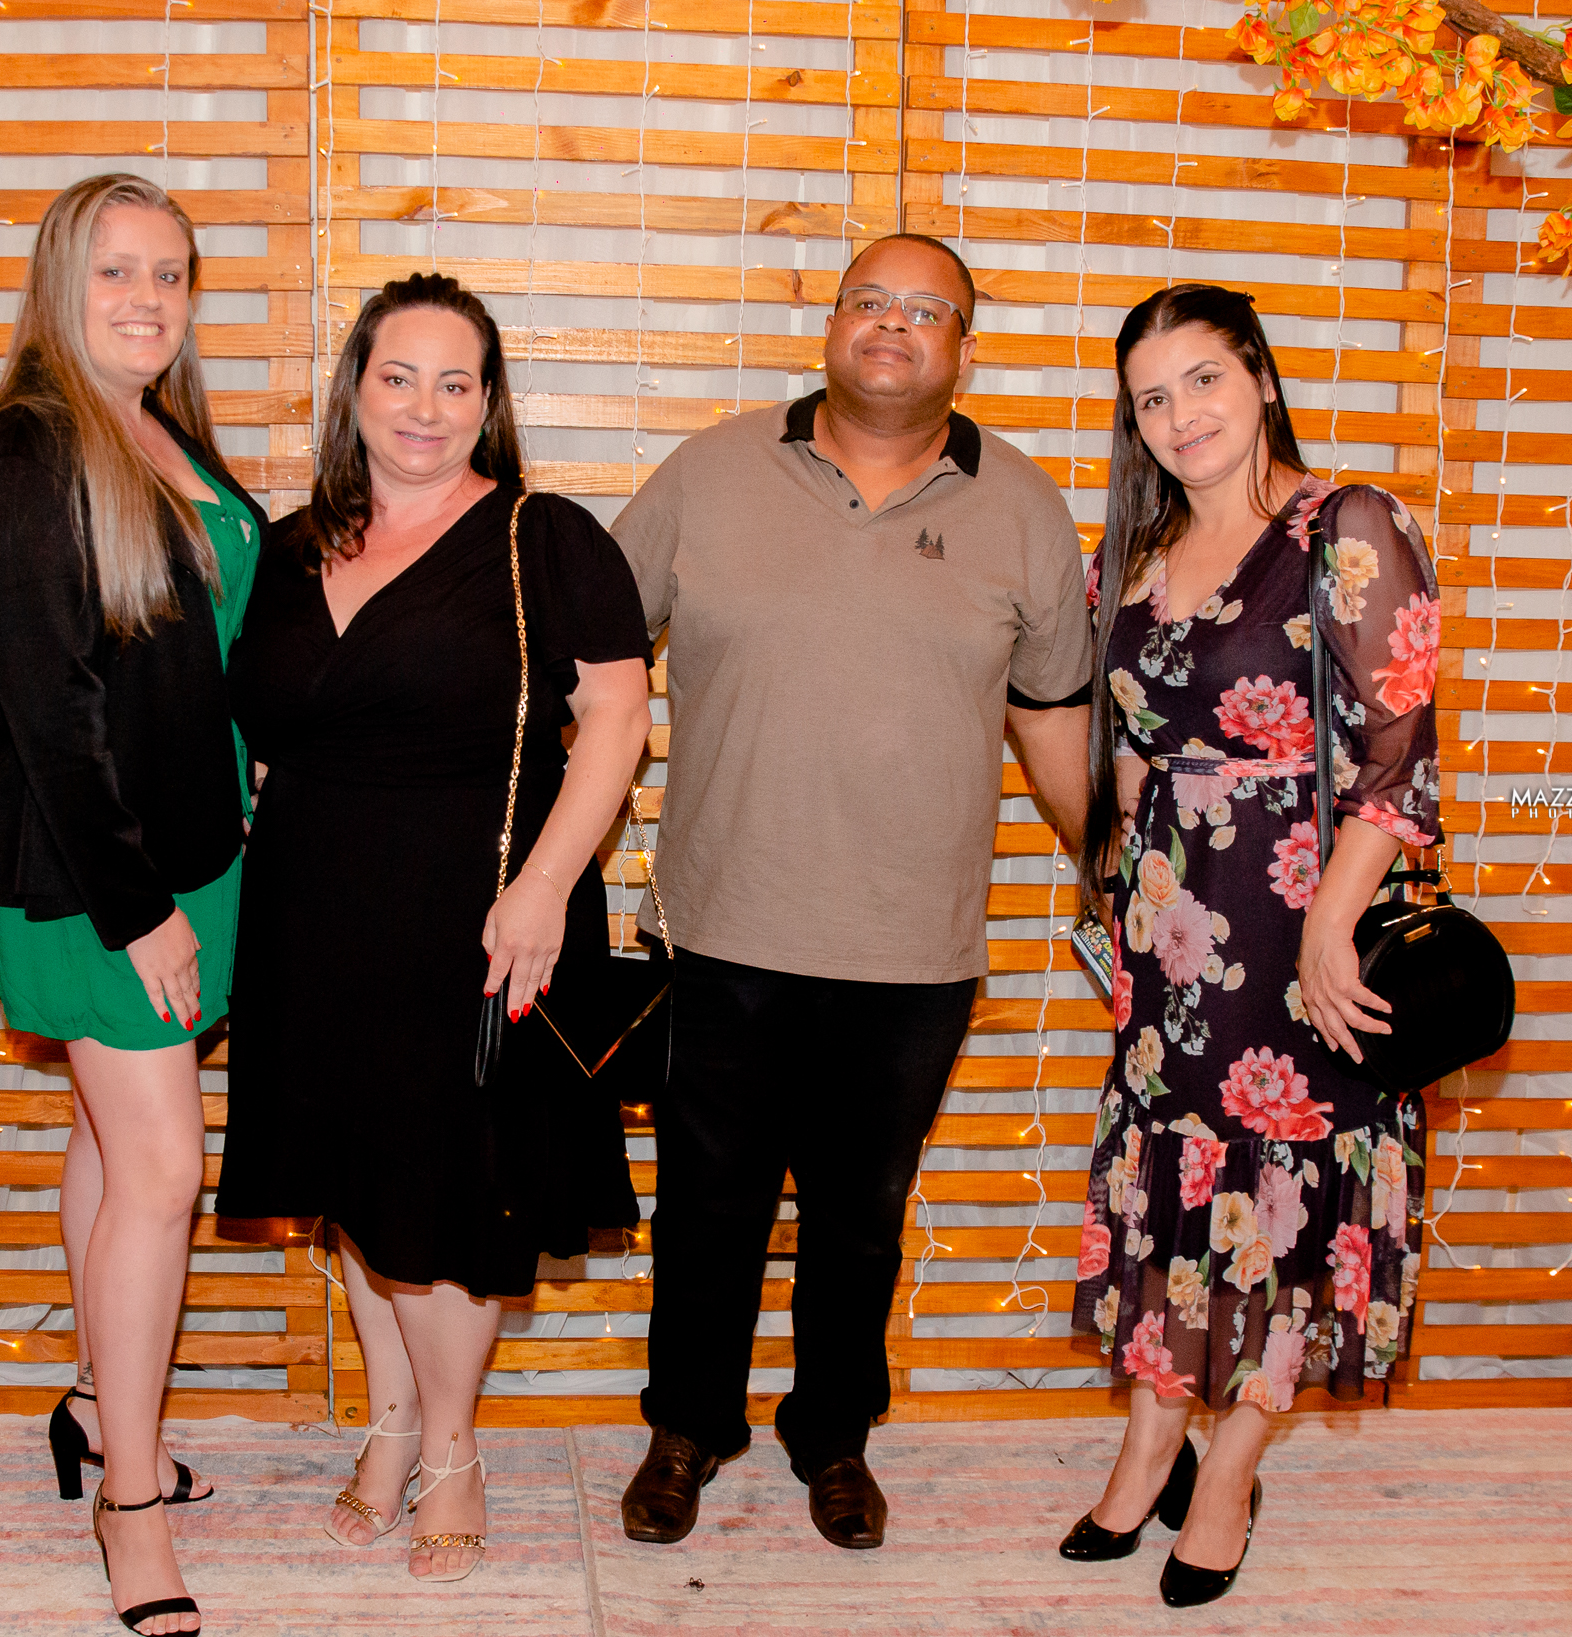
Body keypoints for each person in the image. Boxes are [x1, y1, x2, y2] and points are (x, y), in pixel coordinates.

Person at [610, 233, 1094, 1551]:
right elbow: (597, 651)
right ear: (830, 325)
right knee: (707, 1206)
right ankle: (686, 1427)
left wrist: (1114, 869)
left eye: (925, 309)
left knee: (860, 1218)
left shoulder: (1023, 508)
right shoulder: (712, 471)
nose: (893, 323)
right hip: (721, 926)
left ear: (963, 349)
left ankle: (833, 1436)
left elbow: (1055, 715)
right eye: (869, 300)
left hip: (912, 949)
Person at [212, 274, 652, 1583]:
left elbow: (617, 721)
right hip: (313, 913)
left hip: (481, 916)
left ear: (489, 400)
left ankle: (452, 1446)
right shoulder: (289, 546)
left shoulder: (544, 538)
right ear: (354, 389)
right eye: (398, 376)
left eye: (455, 382)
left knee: (449, 1198)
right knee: (359, 1189)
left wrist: (545, 885)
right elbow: (257, 723)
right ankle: (392, 1422)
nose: (424, 406)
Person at [1063, 285, 1437, 1607]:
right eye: (1152, 399)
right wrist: (1118, 897)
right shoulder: (1130, 555)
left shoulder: (1348, 527)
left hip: (1296, 915)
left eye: (1205, 380)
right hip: (1170, 934)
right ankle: (1151, 1436)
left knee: (1291, 1190)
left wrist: (1330, 925)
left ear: (1262, 379)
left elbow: (1397, 754)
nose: (1181, 416)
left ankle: (1228, 1471)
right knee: (1172, 1180)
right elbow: (1127, 748)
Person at [0, 174, 267, 1636]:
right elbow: (54, 716)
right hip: (99, 879)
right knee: (161, 1174)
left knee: (106, 1135)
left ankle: (93, 1409)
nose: (149, 299)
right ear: (59, 283)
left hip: (195, 855)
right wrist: (141, 911)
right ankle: (129, 1505)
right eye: (117, 271)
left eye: (171, 274)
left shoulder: (157, 426)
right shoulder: (23, 454)